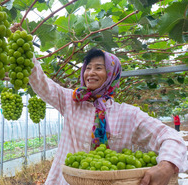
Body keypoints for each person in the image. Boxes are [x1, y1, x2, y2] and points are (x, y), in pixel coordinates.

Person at [28, 48, 188, 185]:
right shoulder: (71, 101)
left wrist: (166, 165)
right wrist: (27, 50)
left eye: (98, 68)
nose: (90, 73)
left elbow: (170, 136)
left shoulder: (128, 114)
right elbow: (41, 83)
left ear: (112, 74)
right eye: (88, 68)